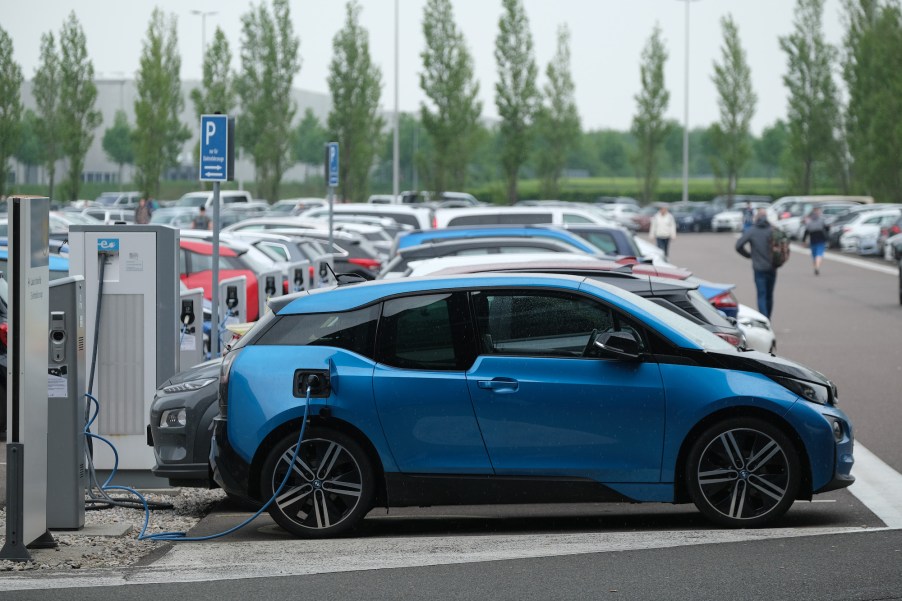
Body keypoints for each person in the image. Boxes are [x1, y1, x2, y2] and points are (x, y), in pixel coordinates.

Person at [735, 208, 777, 318]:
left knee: (761, 295)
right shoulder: (773, 230)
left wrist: (748, 255)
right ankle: (768, 318)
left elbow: (738, 245)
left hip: (759, 268)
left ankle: (765, 320)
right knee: (769, 295)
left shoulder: (752, 230)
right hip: (772, 267)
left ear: (756, 217)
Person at [802, 206, 828, 275]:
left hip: (812, 240)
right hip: (821, 239)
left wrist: (804, 241)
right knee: (819, 254)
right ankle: (817, 267)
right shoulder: (821, 220)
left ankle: (815, 267)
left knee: (814, 255)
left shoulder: (809, 221)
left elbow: (806, 232)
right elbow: (826, 229)